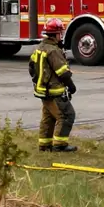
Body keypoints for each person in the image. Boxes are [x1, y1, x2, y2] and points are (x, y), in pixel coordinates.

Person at [28, 18, 77, 153]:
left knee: (48, 118)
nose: (61, 36)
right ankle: (60, 145)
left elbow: (32, 68)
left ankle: (44, 145)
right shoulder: (53, 51)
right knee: (66, 115)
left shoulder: (39, 48)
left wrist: (40, 82)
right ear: (55, 34)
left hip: (43, 91)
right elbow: (63, 73)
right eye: (60, 33)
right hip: (54, 91)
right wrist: (71, 86)